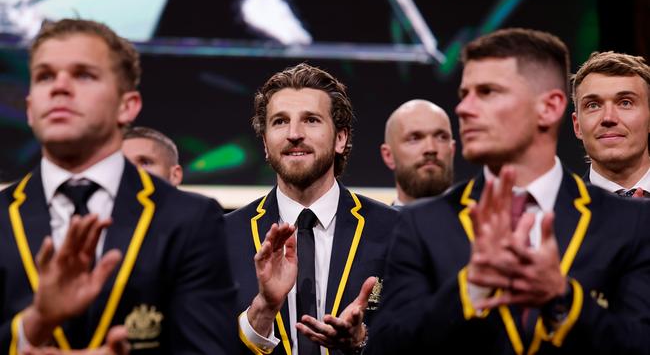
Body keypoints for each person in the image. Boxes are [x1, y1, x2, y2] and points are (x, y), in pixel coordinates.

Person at [366, 28, 650, 354]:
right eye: (465, 94)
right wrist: (470, 289)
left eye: (488, 92)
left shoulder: (633, 221)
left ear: (549, 107)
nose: (464, 109)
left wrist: (563, 300)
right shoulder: (421, 223)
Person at [0, 19, 238, 354]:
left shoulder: (190, 220)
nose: (59, 87)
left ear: (127, 106)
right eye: (45, 76)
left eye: (84, 75)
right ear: (29, 108)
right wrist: (36, 323)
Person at [225, 63, 398, 355]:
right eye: (280, 121)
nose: (294, 133)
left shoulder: (396, 230)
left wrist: (360, 342)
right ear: (266, 144)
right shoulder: (221, 236)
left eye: (311, 120)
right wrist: (264, 309)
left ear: (340, 139)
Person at [571, 51, 650, 197]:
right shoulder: (555, 213)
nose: (608, 118)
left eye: (625, 103)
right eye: (593, 105)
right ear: (577, 126)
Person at [380, 99, 455, 205]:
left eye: (441, 137)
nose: (430, 148)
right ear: (388, 155)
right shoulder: (371, 221)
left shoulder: (478, 221)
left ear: (452, 150)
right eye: (414, 138)